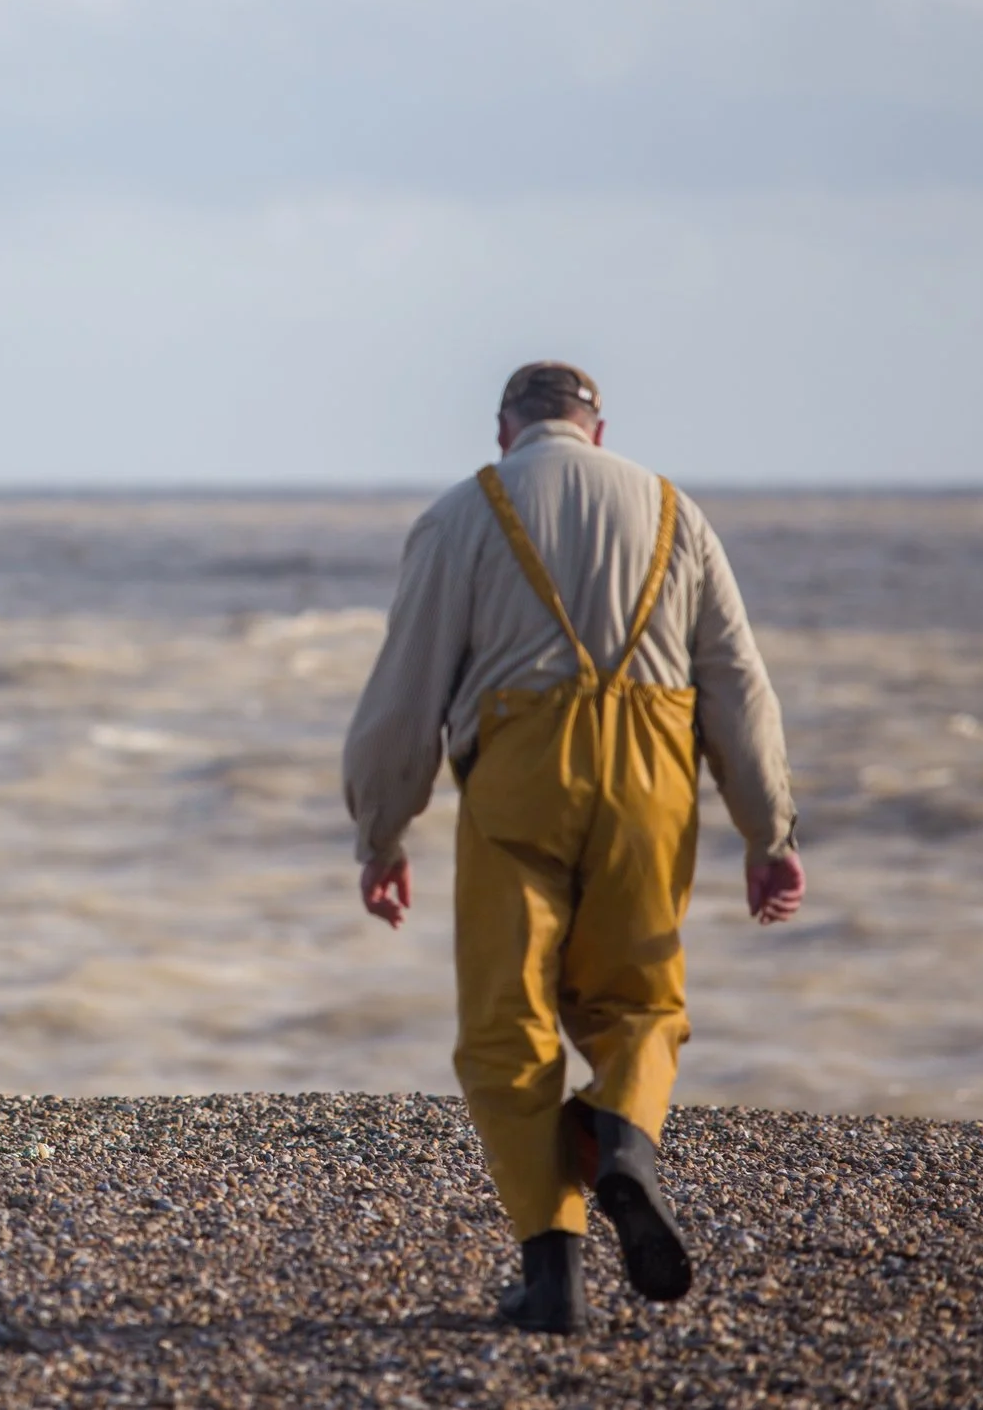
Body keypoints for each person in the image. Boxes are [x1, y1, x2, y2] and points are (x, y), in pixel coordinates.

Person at [342, 362, 806, 1334]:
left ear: (504, 431)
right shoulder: (675, 511)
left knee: (505, 1026)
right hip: (653, 778)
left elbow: (403, 691)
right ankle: (624, 1143)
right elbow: (739, 684)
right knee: (639, 998)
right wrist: (768, 831)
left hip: (519, 770)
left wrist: (382, 831)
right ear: (598, 432)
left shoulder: (462, 513)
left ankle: (553, 1273)